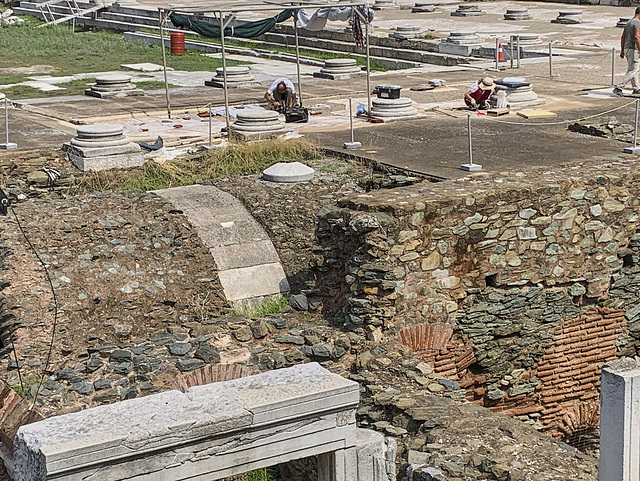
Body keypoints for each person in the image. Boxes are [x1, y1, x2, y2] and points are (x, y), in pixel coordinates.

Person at [614, 7, 640, 97]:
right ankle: (619, 87)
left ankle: (636, 88)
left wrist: (622, 50)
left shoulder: (629, 22)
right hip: (634, 49)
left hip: (627, 48)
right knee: (634, 69)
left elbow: (623, 37)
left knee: (633, 69)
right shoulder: (637, 22)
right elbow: (637, 36)